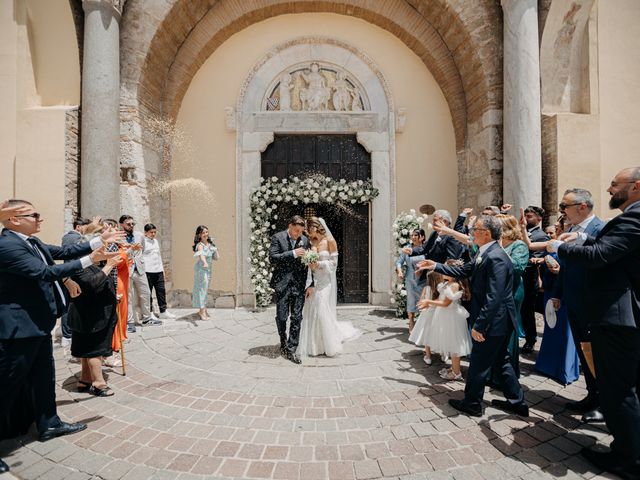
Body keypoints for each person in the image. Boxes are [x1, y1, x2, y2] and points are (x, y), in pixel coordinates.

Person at [0, 199, 123, 474]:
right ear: (14, 219)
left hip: (39, 324)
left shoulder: (32, 241)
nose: (40, 219)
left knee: (44, 378)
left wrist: (96, 241)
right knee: (6, 385)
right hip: (19, 329)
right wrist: (93, 259)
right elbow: (45, 273)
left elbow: (63, 251)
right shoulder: (7, 245)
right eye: (35, 214)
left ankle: (49, 423)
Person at [548, 167, 640, 478]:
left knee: (619, 389)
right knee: (621, 386)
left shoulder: (634, 216)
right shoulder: (629, 218)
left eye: (616, 184)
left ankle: (627, 458)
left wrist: (561, 247)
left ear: (636, 187)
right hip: (615, 314)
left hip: (617, 317)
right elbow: (614, 248)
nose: (610, 189)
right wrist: (585, 237)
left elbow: (601, 256)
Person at [418, 215, 528, 418]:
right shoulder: (487, 252)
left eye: (475, 229)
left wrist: (480, 325)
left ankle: (472, 403)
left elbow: (494, 297)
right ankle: (518, 402)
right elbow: (465, 269)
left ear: (486, 234)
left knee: (478, 362)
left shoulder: (496, 257)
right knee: (501, 361)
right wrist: (435, 266)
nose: (471, 233)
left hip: (494, 321)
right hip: (498, 320)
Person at [550, 189, 605, 422]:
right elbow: (566, 267)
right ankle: (592, 395)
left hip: (593, 304)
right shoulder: (571, 230)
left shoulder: (600, 230)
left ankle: (604, 403)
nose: (562, 211)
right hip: (573, 301)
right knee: (585, 353)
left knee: (599, 356)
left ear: (582, 206)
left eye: (565, 206)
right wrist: (558, 293)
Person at [297, 217, 360, 358]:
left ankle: (328, 344)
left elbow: (334, 265)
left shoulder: (330, 242)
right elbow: (307, 266)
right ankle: (314, 346)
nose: (308, 233)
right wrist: (309, 278)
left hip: (325, 282)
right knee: (311, 311)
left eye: (310, 229)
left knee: (321, 309)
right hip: (314, 282)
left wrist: (319, 265)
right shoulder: (311, 242)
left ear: (316, 227)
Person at [68, 254, 123, 396]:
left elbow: (101, 284)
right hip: (90, 317)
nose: (106, 251)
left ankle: (85, 379)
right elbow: (91, 285)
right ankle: (99, 384)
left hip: (94, 315)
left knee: (86, 348)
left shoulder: (95, 265)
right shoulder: (81, 266)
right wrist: (109, 265)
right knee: (95, 349)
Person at [534, 215, 580, 386]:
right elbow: (531, 246)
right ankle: (548, 365)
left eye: (559, 226)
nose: (556, 229)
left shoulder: (573, 246)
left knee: (565, 331)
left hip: (565, 293)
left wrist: (561, 271)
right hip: (550, 289)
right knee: (551, 328)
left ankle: (565, 370)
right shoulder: (551, 245)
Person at [488, 214, 529, 385]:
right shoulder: (494, 244)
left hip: (512, 292)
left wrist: (498, 250)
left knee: (507, 333)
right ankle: (491, 372)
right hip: (493, 291)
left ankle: (506, 375)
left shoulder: (519, 246)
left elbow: (518, 267)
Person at [269, 215, 313, 364]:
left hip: (299, 285)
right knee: (282, 317)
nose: (297, 234)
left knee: (297, 317)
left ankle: (292, 348)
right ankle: (283, 341)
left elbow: (309, 262)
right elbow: (272, 258)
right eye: (295, 231)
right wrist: (293, 253)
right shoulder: (277, 237)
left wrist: (311, 284)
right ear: (290, 226)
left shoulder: (305, 240)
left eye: (300, 231)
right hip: (282, 284)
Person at [423, 261, 472, 381]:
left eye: (445, 269)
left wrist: (428, 302)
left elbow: (445, 303)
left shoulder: (454, 285)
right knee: (449, 342)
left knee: (454, 344)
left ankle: (456, 372)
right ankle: (454, 367)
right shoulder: (448, 283)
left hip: (452, 317)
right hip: (445, 315)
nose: (442, 271)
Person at [119, 215, 161, 333]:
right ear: (122, 224)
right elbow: (121, 254)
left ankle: (147, 319)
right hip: (126, 270)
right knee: (129, 297)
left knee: (146, 293)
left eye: (133, 223)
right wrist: (132, 249)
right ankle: (129, 322)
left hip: (140, 269)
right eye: (128, 224)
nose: (131, 226)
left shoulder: (139, 235)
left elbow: (141, 250)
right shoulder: (118, 237)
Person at [521, 206, 550, 353]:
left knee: (527, 311)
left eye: (530, 216)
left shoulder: (541, 236)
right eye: (525, 215)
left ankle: (530, 340)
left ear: (539, 219)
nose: (526, 218)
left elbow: (536, 258)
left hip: (528, 279)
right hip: (518, 278)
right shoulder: (521, 232)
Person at [396, 228, 427, 332]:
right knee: (411, 301)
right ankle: (411, 322)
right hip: (410, 279)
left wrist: (422, 269)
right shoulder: (407, 248)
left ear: (422, 237)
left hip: (423, 280)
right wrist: (400, 272)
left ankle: (423, 324)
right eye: (412, 235)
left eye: (415, 235)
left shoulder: (426, 248)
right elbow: (399, 262)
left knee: (422, 301)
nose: (413, 237)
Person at [143, 223, 175, 319]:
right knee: (148, 293)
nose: (153, 234)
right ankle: (150, 313)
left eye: (154, 232)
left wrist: (162, 270)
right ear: (145, 233)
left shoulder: (156, 241)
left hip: (158, 271)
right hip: (147, 271)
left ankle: (163, 311)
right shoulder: (143, 242)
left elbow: (159, 256)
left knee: (161, 291)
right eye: (151, 232)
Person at [409, 272, 441, 364]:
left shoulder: (426, 289)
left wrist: (424, 307)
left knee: (427, 335)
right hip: (439, 314)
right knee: (440, 333)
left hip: (427, 315)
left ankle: (428, 356)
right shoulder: (441, 289)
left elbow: (420, 303)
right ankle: (444, 355)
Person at [192, 225, 220, 320]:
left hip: (208, 270)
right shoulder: (200, 245)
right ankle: (202, 311)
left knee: (205, 289)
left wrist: (215, 248)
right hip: (201, 270)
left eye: (206, 232)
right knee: (202, 290)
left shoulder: (210, 244)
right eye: (203, 233)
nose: (205, 234)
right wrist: (204, 262)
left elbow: (216, 258)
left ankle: (202, 309)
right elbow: (201, 256)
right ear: (199, 235)